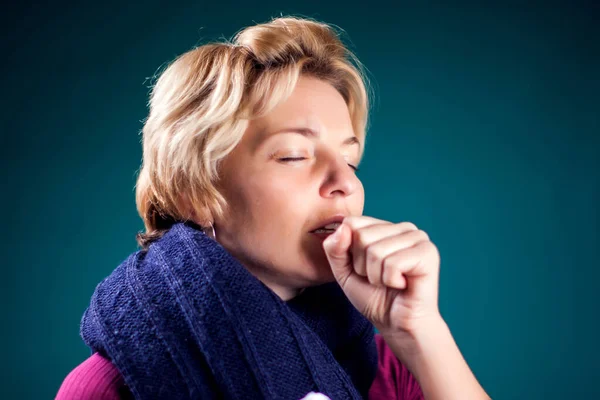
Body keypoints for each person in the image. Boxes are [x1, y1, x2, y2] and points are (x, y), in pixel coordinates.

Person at [56, 16, 491, 400]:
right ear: (195, 194)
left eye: (351, 160)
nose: (346, 184)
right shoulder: (109, 388)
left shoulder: (394, 368)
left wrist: (418, 330)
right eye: (294, 156)